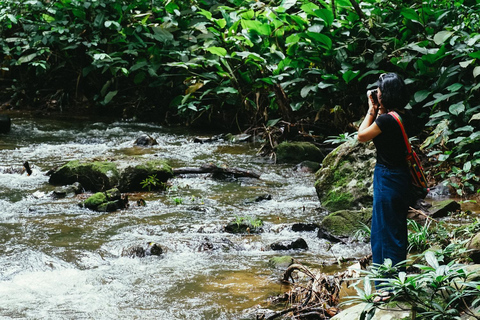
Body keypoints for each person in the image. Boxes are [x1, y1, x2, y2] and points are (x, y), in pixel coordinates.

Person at [357, 73, 417, 291]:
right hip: (402, 177)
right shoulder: (406, 116)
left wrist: (371, 110)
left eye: (379, 90)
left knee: (383, 232)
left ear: (385, 95)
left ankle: (385, 287)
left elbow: (362, 135)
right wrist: (380, 107)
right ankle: (398, 280)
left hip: (387, 176)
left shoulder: (384, 120)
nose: (377, 93)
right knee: (397, 229)